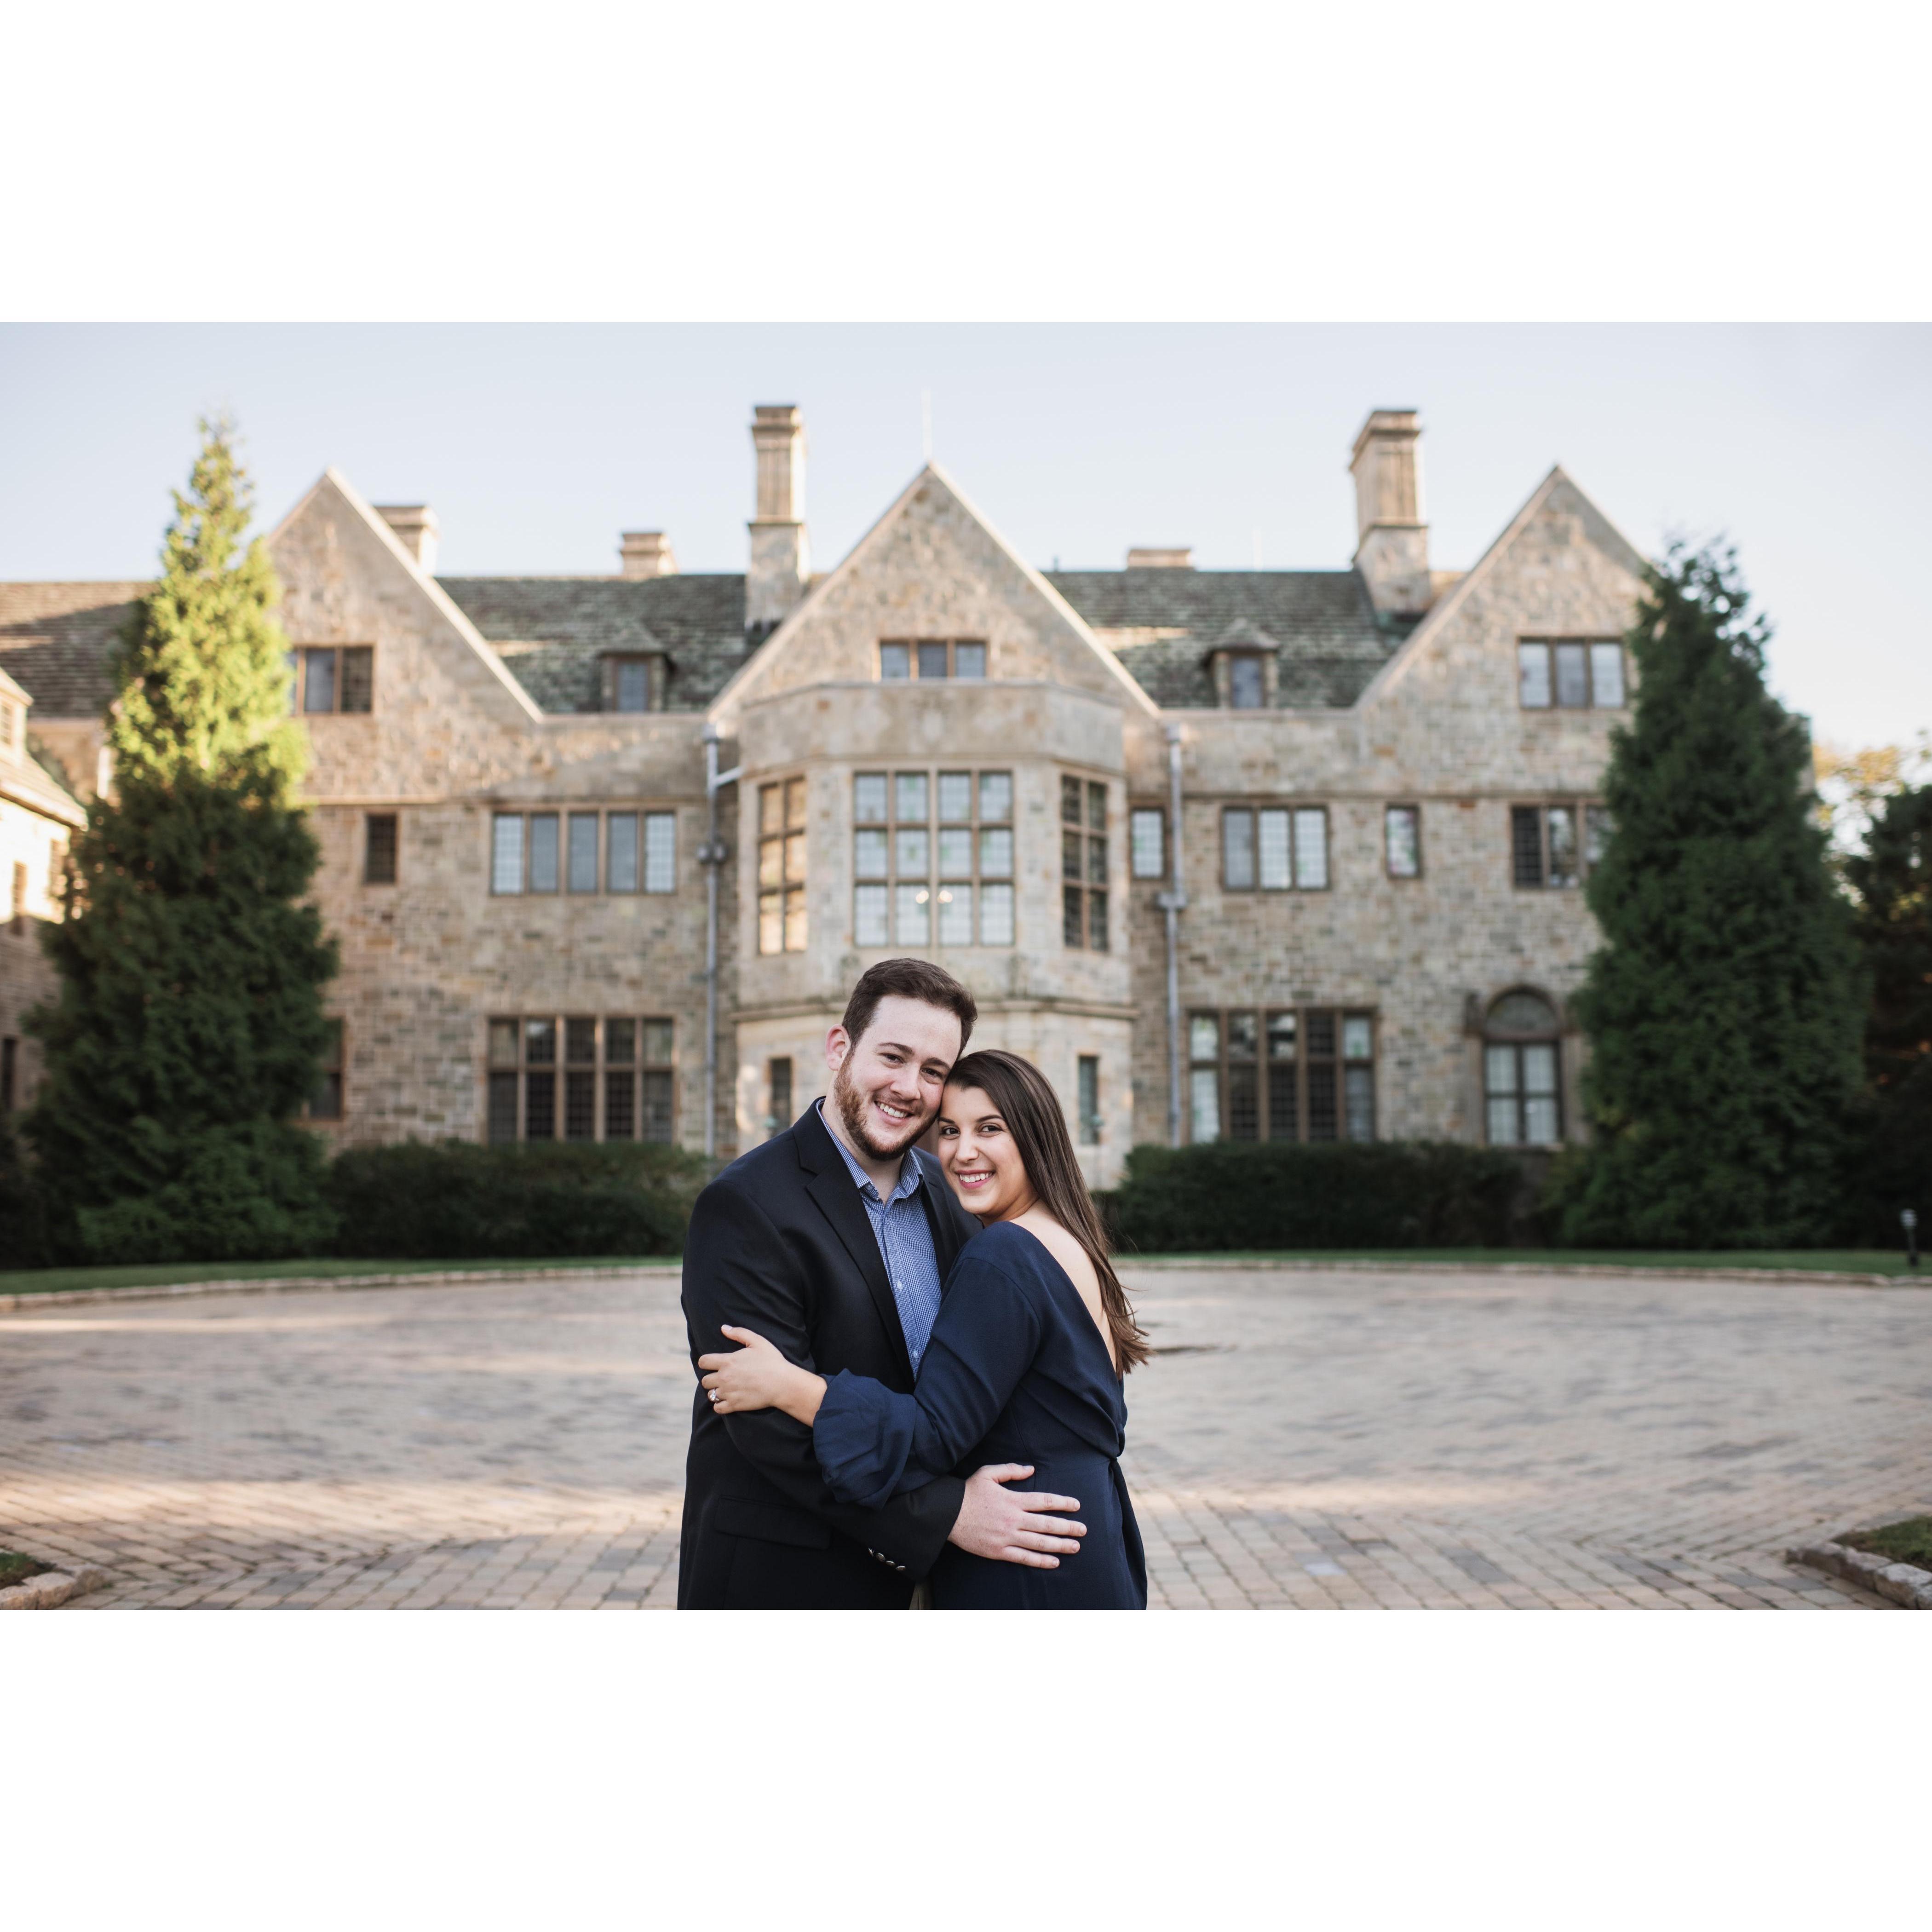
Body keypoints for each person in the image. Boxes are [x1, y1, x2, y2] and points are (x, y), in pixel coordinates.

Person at [677, 960, 1090, 1609]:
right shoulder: (745, 1206)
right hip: (793, 1577)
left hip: (943, 1581)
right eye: (893, 1057)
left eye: (933, 1071)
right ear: (840, 1048)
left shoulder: (956, 1197)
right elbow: (767, 1430)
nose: (909, 1087)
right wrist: (948, 1515)